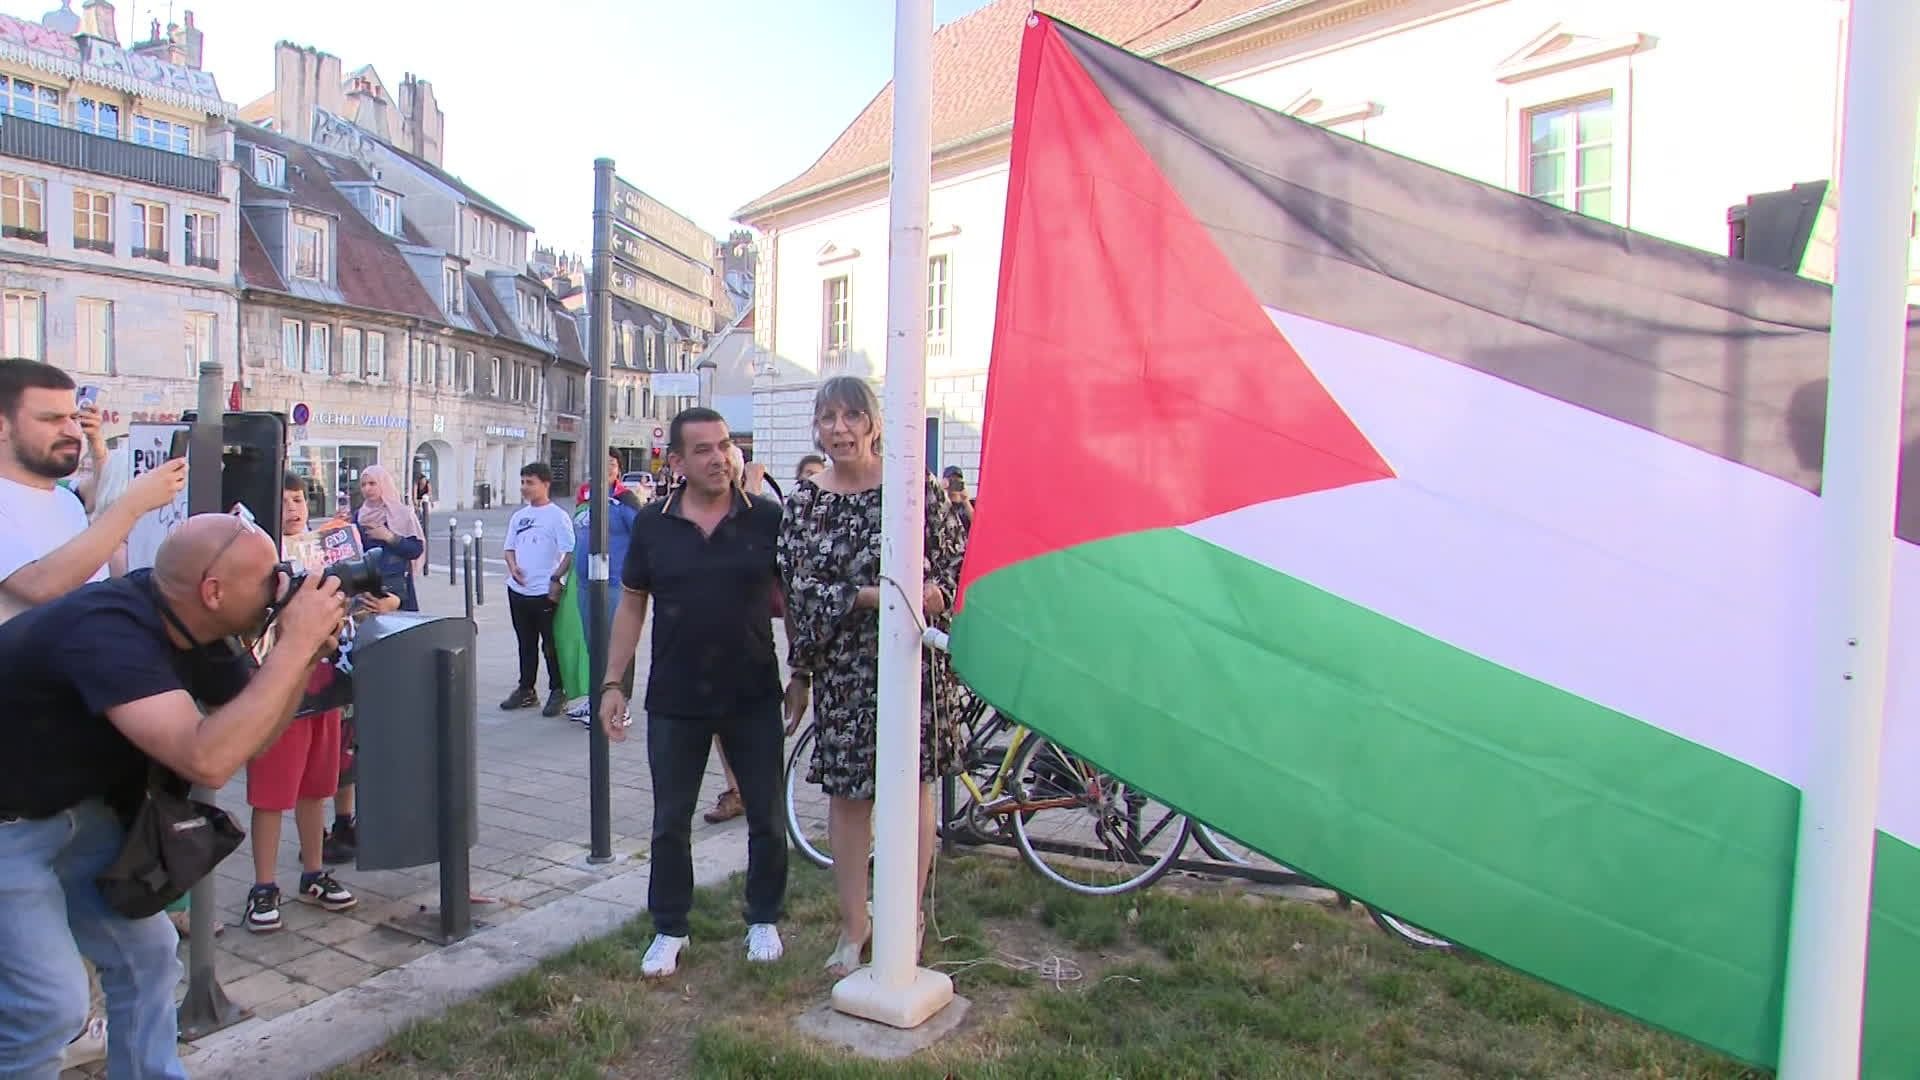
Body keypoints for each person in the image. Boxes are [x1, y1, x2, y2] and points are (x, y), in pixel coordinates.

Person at [0, 513, 348, 1079]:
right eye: (268, 579)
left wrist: (299, 655)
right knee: (47, 1005)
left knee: (148, 957)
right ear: (213, 591)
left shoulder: (193, 625)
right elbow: (205, 756)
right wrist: (293, 650)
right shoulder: (108, 630)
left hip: (79, 815)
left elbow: (252, 737)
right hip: (8, 828)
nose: (279, 588)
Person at [777, 376, 968, 976]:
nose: (840, 429)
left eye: (852, 416)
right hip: (845, 671)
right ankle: (854, 924)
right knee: (848, 796)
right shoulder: (805, 503)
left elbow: (961, 564)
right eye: (828, 417)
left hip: (913, 663)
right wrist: (863, 601)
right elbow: (798, 590)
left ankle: (905, 916)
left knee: (913, 788)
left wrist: (939, 593)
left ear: (874, 423)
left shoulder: (917, 491)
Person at [599, 407, 789, 977]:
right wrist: (613, 682)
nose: (719, 457)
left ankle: (763, 918)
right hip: (676, 695)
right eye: (703, 449)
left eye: (725, 445)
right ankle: (670, 927)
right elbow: (633, 602)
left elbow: (792, 601)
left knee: (768, 814)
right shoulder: (654, 523)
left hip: (752, 688)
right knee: (669, 820)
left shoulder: (767, 520)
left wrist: (801, 671)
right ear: (676, 462)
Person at [245, 474, 400, 932]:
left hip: (329, 681)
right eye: (282, 500)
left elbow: (354, 604)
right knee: (272, 792)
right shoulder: (256, 554)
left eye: (297, 499)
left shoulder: (332, 546)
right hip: (278, 687)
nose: (292, 508)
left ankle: (313, 872)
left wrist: (378, 602)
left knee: (318, 785)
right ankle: (263, 885)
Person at [0, 359, 186, 624]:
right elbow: (40, 586)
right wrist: (132, 505)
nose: (72, 431)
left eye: (74, 418)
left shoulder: (67, 501)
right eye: (51, 419)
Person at [560, 450, 642, 722]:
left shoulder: (624, 499)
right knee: (593, 642)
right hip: (586, 584)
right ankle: (597, 698)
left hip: (615, 583)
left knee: (616, 643)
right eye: (601, 462)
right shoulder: (586, 497)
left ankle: (622, 705)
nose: (606, 468)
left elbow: (642, 535)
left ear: (618, 469)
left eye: (612, 464)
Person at [502, 462, 574, 717]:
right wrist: (513, 568)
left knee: (551, 645)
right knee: (525, 643)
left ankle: (558, 690)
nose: (525, 487)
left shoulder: (558, 517)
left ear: (545, 484)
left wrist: (556, 579)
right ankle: (526, 690)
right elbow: (509, 548)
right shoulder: (519, 516)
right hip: (518, 591)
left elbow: (570, 552)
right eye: (522, 482)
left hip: (544, 592)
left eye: (530, 482)